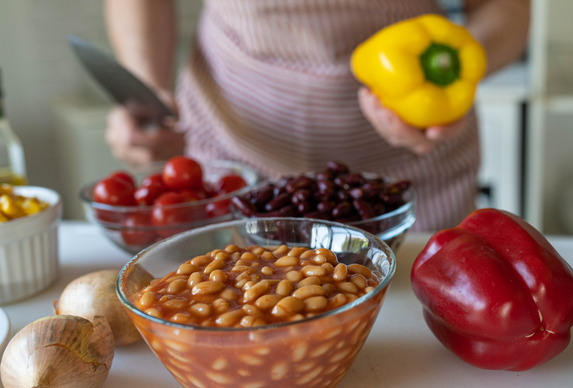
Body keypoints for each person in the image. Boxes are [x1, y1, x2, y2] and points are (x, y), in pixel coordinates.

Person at [102, 0, 530, 231]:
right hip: (235, 136)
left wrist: (455, 81)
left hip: (415, 158)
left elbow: (505, 7)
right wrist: (147, 87)